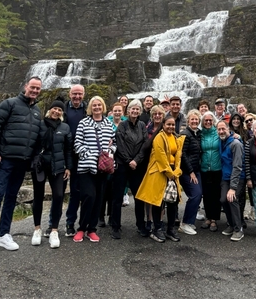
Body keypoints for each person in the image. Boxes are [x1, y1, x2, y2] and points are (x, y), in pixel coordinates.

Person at [0, 76, 42, 256]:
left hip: (22, 162)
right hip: (5, 159)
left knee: (11, 197)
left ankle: (4, 234)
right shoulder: (10, 103)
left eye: (38, 89)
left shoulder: (37, 111)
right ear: (25, 86)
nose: (34, 91)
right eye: (32, 87)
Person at [73, 96, 116, 243]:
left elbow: (114, 142)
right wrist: (90, 155)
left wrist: (110, 151)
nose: (97, 107)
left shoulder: (108, 124)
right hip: (87, 166)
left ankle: (92, 229)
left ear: (103, 107)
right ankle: (81, 228)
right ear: (91, 107)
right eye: (94, 105)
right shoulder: (83, 123)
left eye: (99, 105)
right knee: (88, 196)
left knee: (98, 199)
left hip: (102, 168)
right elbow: (77, 144)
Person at [136, 115, 184, 243]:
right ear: (163, 125)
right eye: (168, 124)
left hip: (173, 172)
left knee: (173, 202)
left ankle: (170, 229)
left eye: (173, 125)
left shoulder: (176, 138)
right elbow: (161, 158)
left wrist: (177, 171)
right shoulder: (158, 138)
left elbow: (178, 156)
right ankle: (157, 228)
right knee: (159, 202)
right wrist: (170, 173)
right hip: (160, 173)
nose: (171, 127)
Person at [31, 100, 72, 249]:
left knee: (59, 196)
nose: (57, 111)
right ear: (49, 110)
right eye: (54, 108)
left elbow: (68, 149)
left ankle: (54, 230)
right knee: (38, 196)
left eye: (60, 110)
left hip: (59, 167)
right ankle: (37, 229)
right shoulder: (39, 125)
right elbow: (33, 145)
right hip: (41, 166)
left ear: (62, 113)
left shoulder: (65, 127)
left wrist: (69, 167)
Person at [110, 99, 148, 239]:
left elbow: (144, 145)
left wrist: (136, 160)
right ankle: (115, 226)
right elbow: (119, 145)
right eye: (133, 108)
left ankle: (141, 225)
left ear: (140, 112)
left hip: (137, 166)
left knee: (139, 197)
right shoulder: (122, 125)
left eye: (137, 109)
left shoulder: (142, 125)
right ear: (129, 110)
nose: (135, 111)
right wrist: (128, 161)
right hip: (122, 165)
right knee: (117, 197)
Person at [61, 84, 87, 238]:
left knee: (77, 192)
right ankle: (54, 225)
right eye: (74, 94)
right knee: (59, 192)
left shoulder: (88, 110)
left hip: (81, 156)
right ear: (69, 94)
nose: (77, 96)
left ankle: (72, 223)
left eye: (80, 94)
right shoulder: (63, 109)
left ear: (83, 95)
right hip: (63, 154)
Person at [217, 120, 245, 241]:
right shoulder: (220, 141)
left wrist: (233, 188)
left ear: (228, 129)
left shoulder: (235, 144)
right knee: (223, 199)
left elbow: (237, 166)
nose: (221, 131)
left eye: (223, 129)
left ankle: (238, 229)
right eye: (219, 129)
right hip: (225, 177)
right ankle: (231, 224)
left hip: (237, 178)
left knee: (232, 199)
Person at [179, 110, 202, 235]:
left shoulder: (197, 134)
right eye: (192, 119)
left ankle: (190, 221)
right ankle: (185, 223)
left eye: (196, 119)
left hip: (196, 170)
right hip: (186, 171)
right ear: (188, 121)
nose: (194, 121)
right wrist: (191, 171)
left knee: (198, 194)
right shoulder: (185, 134)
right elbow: (182, 155)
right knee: (195, 194)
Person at [200, 111, 221, 232]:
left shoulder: (217, 132)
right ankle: (208, 217)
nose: (208, 122)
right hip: (204, 168)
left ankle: (214, 219)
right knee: (206, 194)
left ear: (213, 121)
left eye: (210, 120)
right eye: (206, 120)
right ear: (203, 122)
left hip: (217, 168)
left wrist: (236, 135)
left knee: (216, 194)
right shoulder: (200, 134)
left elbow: (228, 135)